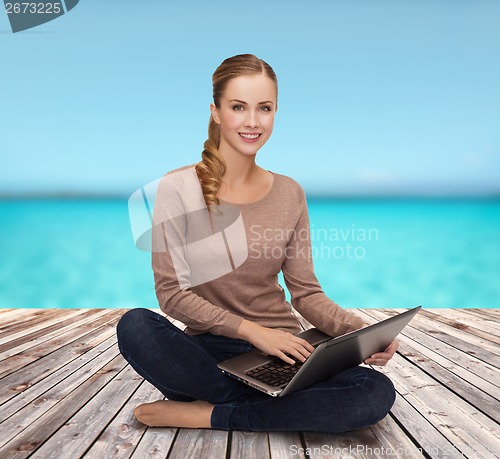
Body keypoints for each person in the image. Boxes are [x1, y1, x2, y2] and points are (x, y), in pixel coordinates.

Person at [117, 53, 398, 432]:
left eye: (264, 108)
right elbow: (171, 294)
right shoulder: (177, 188)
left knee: (374, 391)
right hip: (210, 351)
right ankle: (274, 407)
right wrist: (252, 332)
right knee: (135, 326)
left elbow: (306, 293)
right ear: (216, 112)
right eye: (238, 107)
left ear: (275, 113)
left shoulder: (289, 192)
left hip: (288, 349)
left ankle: (215, 413)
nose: (252, 122)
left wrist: (357, 331)